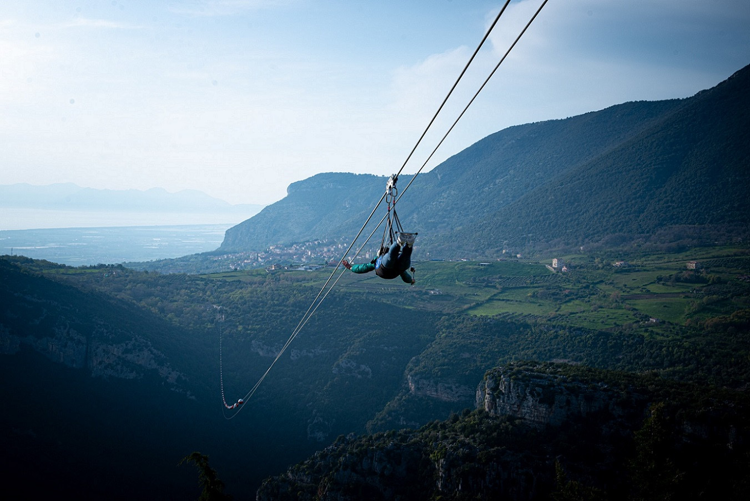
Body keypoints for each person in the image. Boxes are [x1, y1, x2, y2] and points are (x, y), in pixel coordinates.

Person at [343, 233, 416, 284]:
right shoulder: (378, 260)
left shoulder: (376, 261)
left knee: (394, 258)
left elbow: (363, 268)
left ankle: (402, 243)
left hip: (386, 269)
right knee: (402, 259)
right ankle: (407, 245)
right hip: (389, 270)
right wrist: (411, 281)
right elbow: (406, 277)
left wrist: (350, 268)